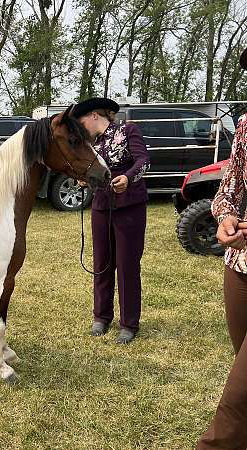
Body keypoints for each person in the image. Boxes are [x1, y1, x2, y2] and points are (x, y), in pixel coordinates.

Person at [196, 48, 247, 450]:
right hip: (240, 266)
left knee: (237, 398)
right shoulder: (246, 126)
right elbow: (229, 189)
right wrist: (225, 217)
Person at [72, 98, 150, 344]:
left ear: (94, 115)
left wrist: (127, 177)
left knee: (127, 266)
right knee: (102, 264)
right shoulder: (92, 144)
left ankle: (129, 323)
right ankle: (101, 316)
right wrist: (83, 180)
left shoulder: (128, 130)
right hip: (101, 207)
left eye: (82, 122)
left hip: (130, 207)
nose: (81, 128)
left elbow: (143, 161)